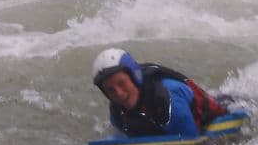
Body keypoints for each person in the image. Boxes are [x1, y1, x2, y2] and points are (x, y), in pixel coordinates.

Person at [92, 48, 230, 138]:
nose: (119, 93)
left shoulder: (168, 101)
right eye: (111, 90)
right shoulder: (117, 110)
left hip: (222, 110)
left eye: (122, 83)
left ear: (134, 77)